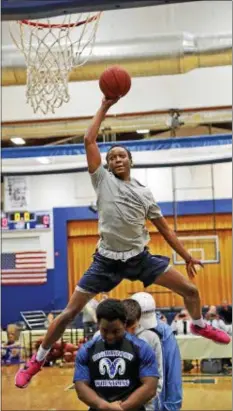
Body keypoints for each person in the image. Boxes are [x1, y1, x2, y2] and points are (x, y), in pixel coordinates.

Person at [15, 97, 230, 389]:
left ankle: (199, 325)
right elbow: (89, 139)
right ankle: (36, 361)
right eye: (112, 156)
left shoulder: (144, 193)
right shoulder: (102, 180)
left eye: (121, 156)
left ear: (130, 160)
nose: (116, 159)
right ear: (107, 164)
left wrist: (187, 256)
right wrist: (105, 104)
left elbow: (165, 228)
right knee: (68, 313)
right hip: (105, 261)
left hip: (139, 258)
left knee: (191, 290)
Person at [73, 298, 159, 411]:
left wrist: (121, 408)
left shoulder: (142, 349)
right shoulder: (87, 350)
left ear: (124, 324)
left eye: (115, 331)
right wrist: (104, 406)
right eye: (104, 330)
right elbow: (81, 386)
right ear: (98, 323)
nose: (110, 336)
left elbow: (150, 387)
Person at [131, 292, 182, 411]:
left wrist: (173, 406)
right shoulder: (119, 329)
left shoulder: (164, 331)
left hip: (154, 402)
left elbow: (173, 371)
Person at [122, 298, 163, 410]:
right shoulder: (104, 337)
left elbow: (158, 374)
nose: (129, 332)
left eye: (132, 328)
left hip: (144, 405)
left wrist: (148, 401)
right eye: (125, 328)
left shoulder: (151, 338)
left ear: (138, 319)